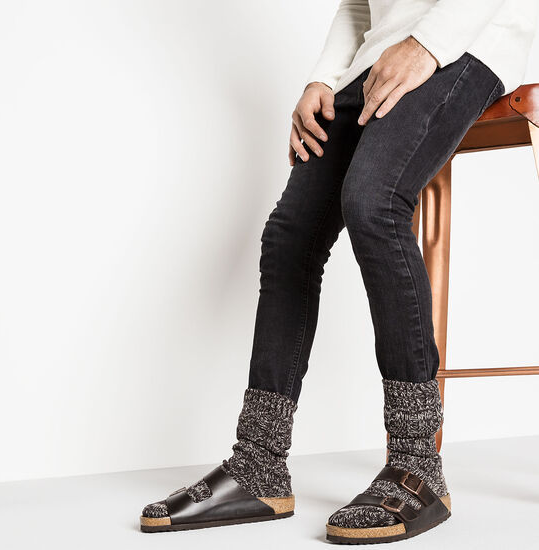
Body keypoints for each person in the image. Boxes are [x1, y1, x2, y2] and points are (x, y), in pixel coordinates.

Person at [139, 0, 538, 544]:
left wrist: (426, 45)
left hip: (468, 42)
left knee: (375, 204)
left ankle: (417, 462)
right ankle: (259, 463)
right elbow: (358, 5)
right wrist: (323, 79)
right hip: (376, 59)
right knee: (290, 238)